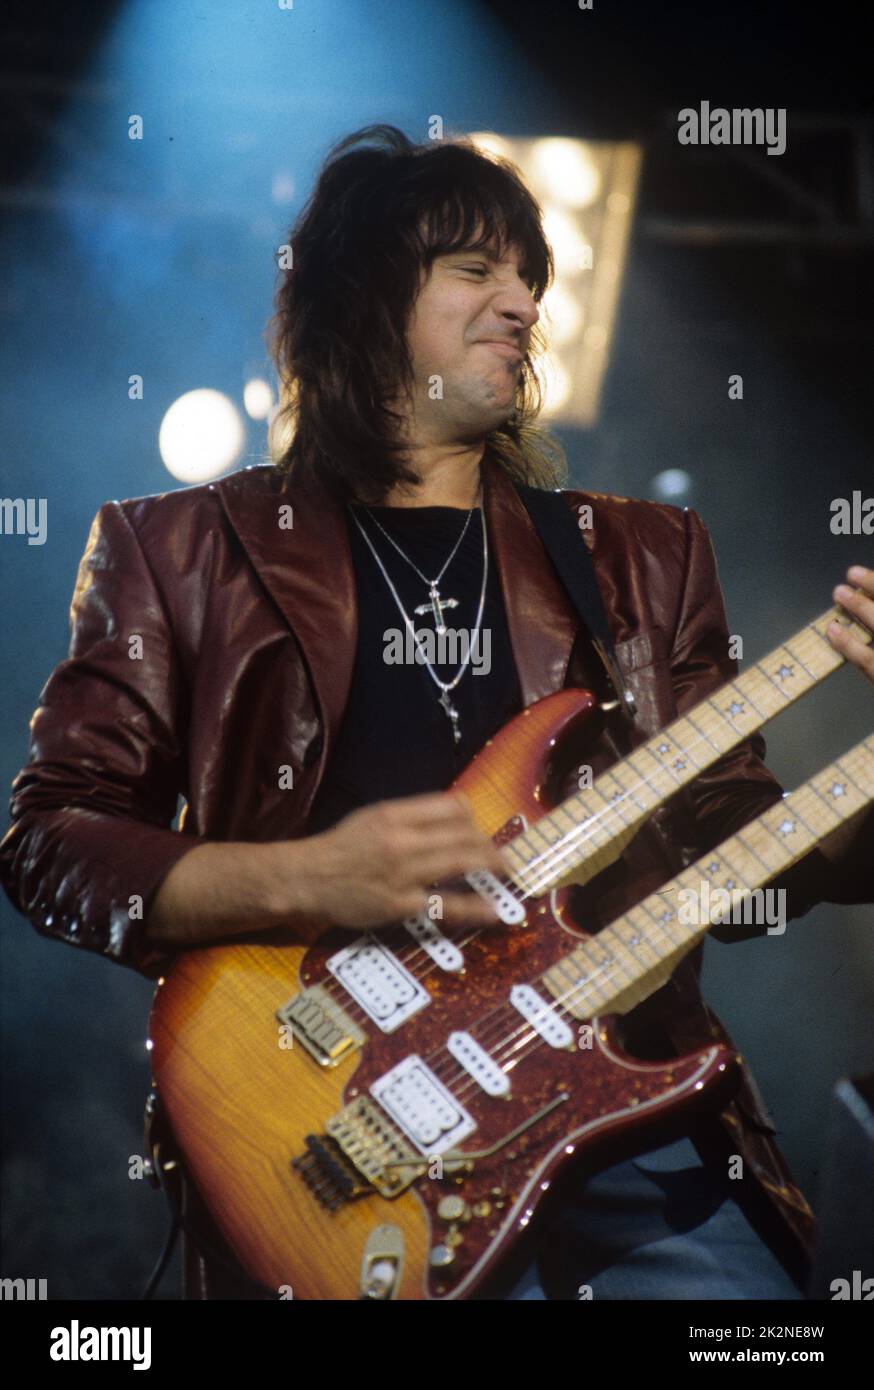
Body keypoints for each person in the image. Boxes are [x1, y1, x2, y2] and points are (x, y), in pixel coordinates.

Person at [1, 125, 872, 1302]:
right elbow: (52, 835)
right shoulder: (177, 549)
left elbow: (734, 841)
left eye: (531, 281)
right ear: (360, 301)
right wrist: (312, 878)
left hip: (628, 1113)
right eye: (477, 271)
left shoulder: (638, 555)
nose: (521, 304)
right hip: (347, 1123)